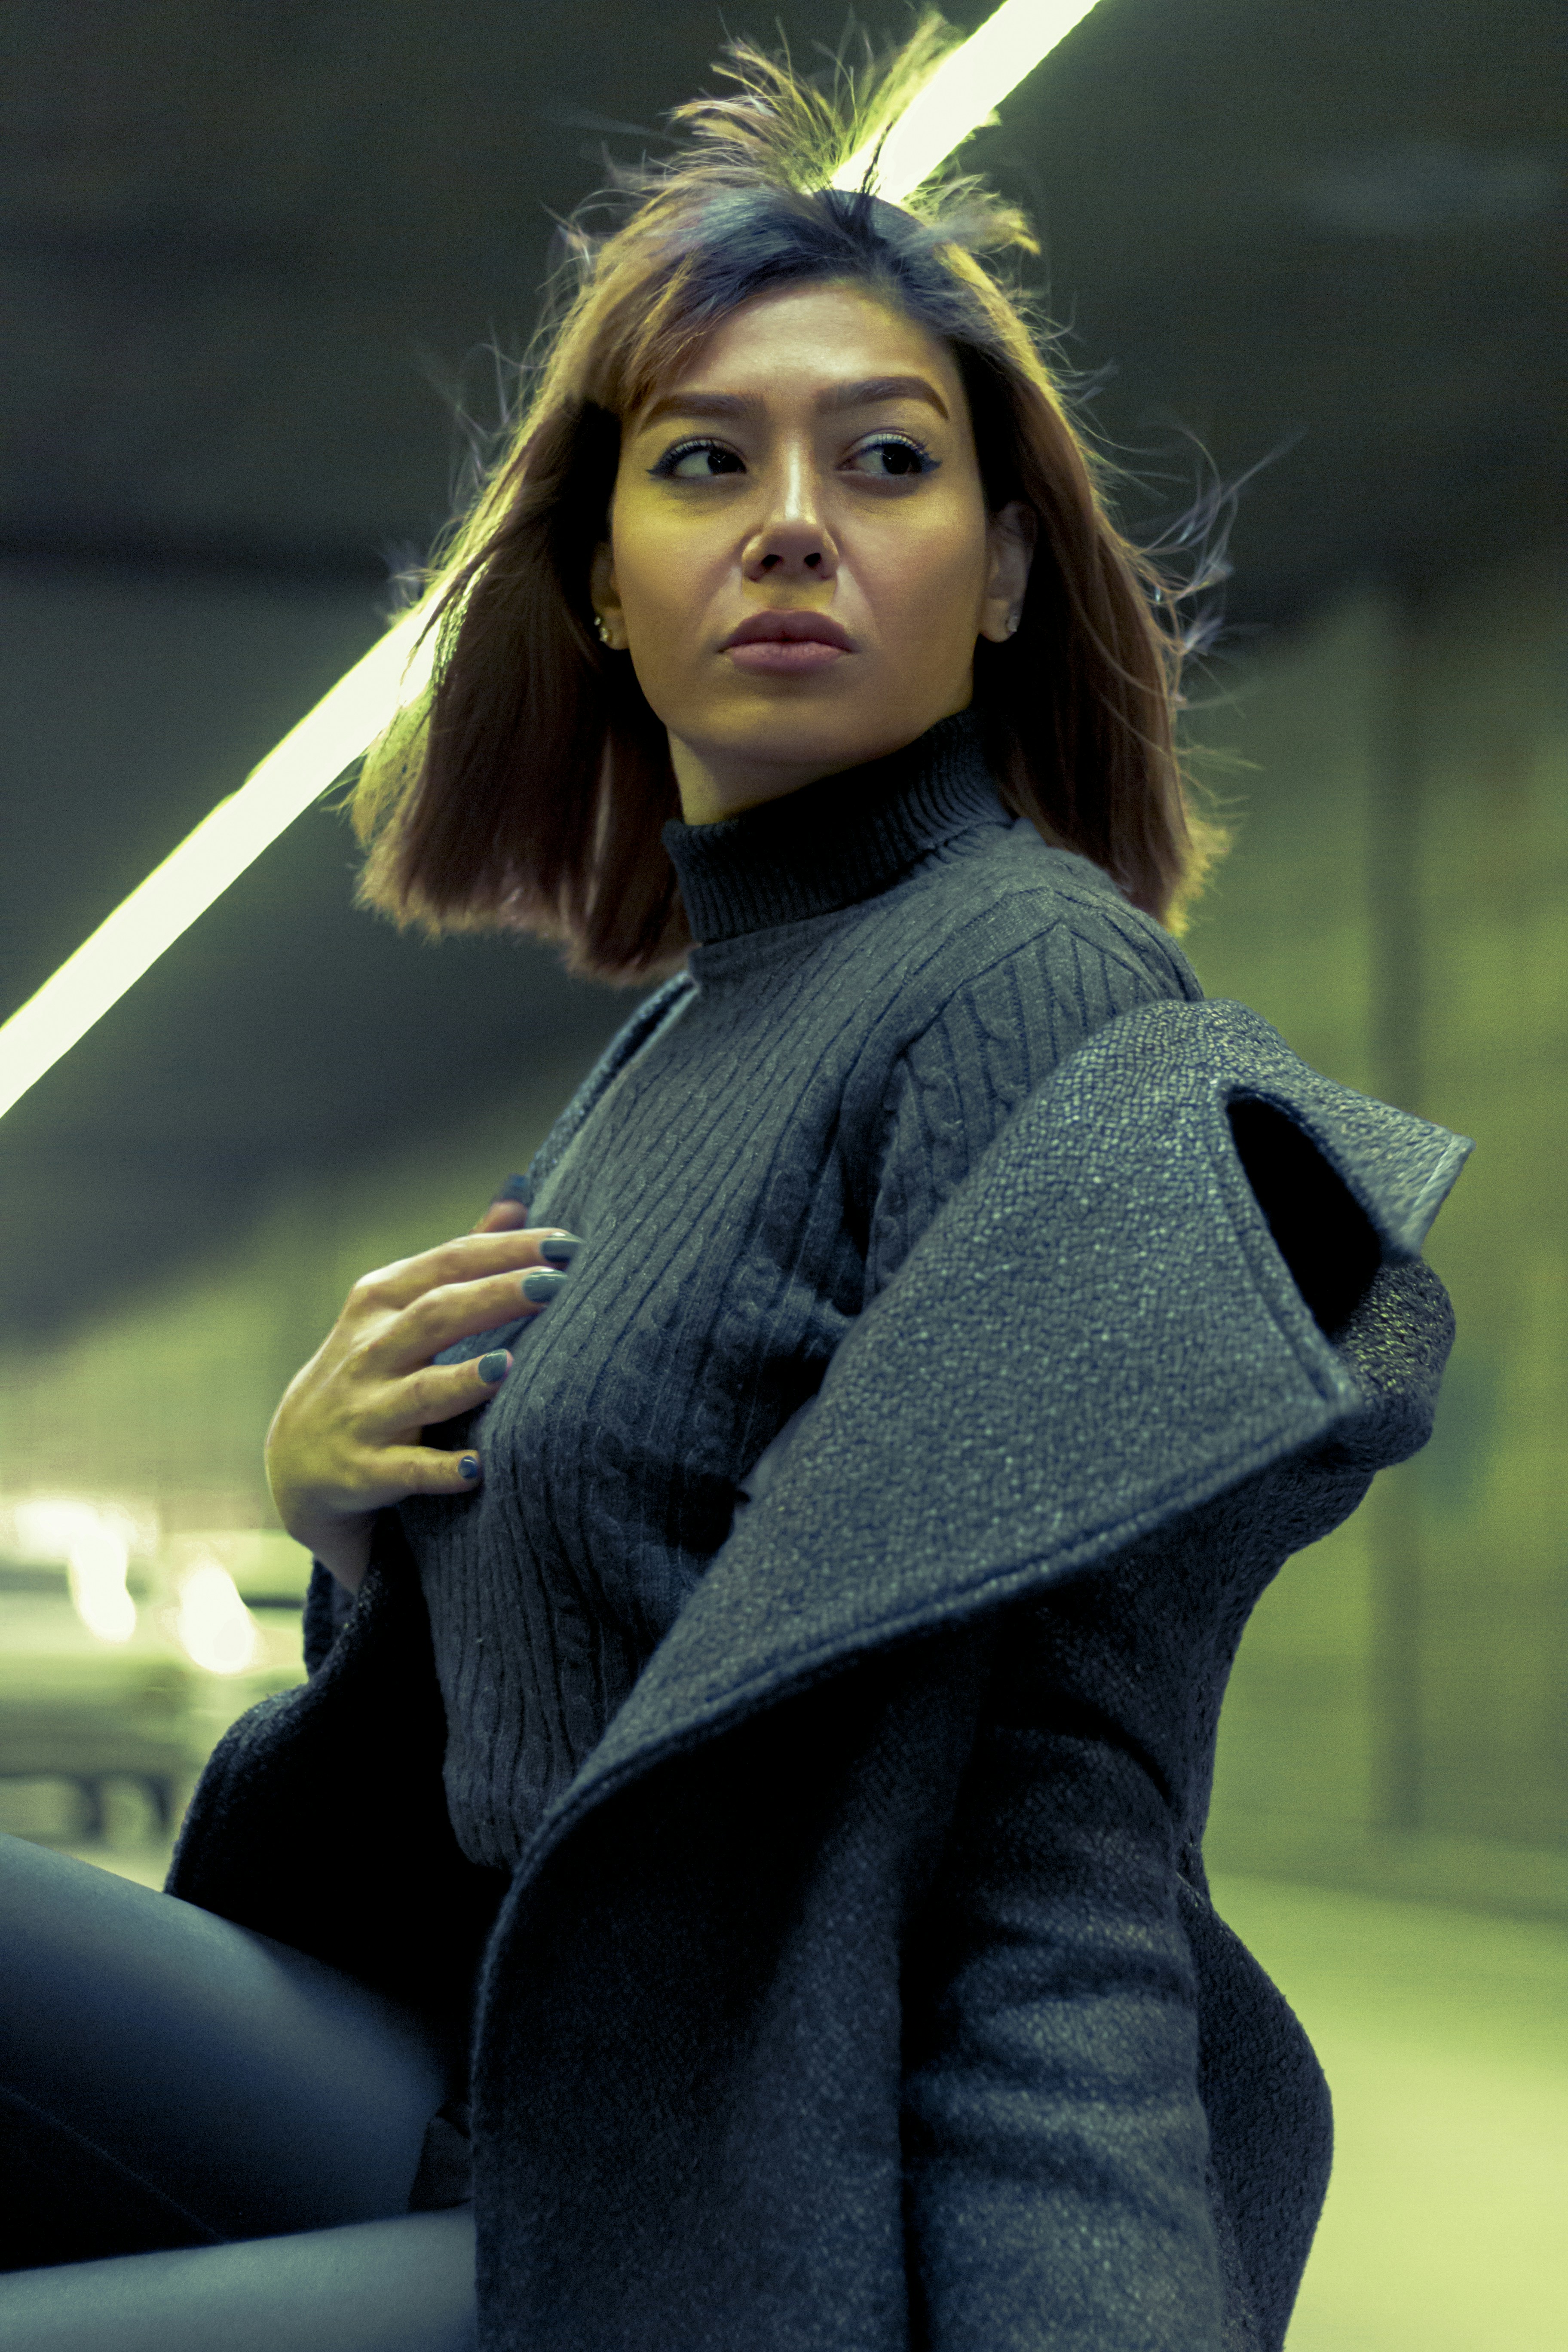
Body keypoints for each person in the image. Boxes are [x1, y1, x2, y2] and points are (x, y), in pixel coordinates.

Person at [0, 20, 1467, 2351]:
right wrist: (354, 1528)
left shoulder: (1028, 994)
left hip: (737, 2217)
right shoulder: (686, 1026)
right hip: (493, 2068)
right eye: (705, 459)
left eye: (885, 460)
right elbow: (538, 1731)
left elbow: (1061, 1849)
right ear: (601, 580)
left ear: (998, 574)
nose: (792, 512)